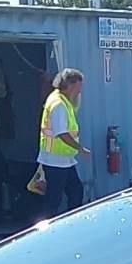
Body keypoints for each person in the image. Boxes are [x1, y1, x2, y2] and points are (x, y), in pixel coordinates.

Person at [36, 68, 87, 217]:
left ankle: (71, 222)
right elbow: (62, 133)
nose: (80, 90)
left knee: (76, 191)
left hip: (64, 159)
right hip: (55, 160)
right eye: (78, 86)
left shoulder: (63, 100)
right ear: (70, 85)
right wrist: (80, 148)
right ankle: (46, 229)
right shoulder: (58, 104)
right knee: (54, 199)